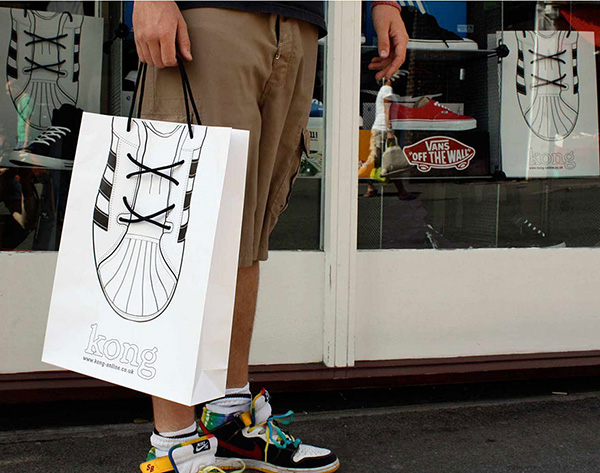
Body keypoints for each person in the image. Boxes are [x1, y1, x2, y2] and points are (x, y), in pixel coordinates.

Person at [133, 2, 409, 472]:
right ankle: (173, 448)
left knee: (247, 234)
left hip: (299, 24)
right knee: (177, 230)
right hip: (206, 18)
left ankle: (228, 421)